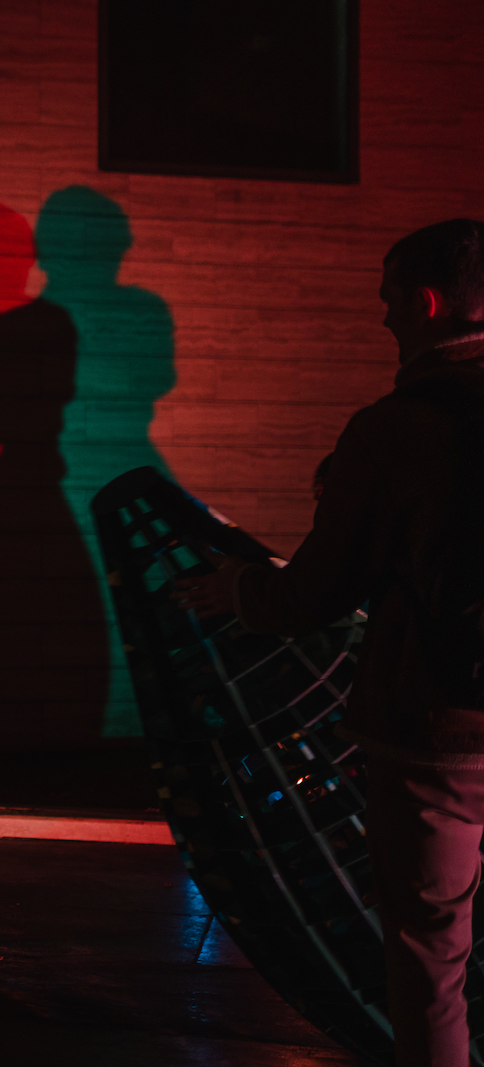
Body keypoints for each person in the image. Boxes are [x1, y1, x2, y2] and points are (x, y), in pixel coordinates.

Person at [175, 219, 484, 1066]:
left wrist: (237, 589)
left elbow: (313, 593)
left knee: (431, 955)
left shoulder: (398, 429)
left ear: (426, 303)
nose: (381, 315)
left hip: (439, 736)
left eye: (388, 297)